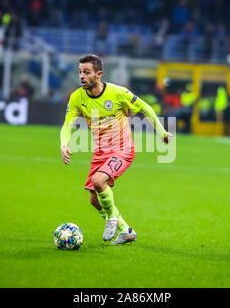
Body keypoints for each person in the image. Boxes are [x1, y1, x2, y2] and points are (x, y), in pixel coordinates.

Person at [60, 54, 173, 245]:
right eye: (80, 72)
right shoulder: (77, 97)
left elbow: (145, 107)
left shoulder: (118, 93)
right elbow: (67, 125)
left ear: (99, 74)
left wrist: (161, 132)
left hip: (123, 149)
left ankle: (111, 219)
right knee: (94, 200)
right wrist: (64, 143)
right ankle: (126, 231)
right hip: (100, 153)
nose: (81, 76)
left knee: (98, 180)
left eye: (86, 72)